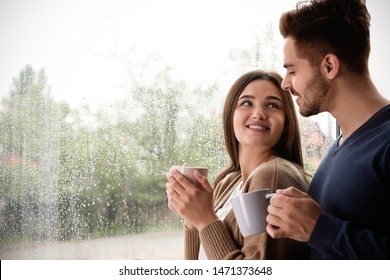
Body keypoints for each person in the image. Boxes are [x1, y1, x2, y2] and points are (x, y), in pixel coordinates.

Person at [266, 0, 390, 259]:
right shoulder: (338, 144)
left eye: (291, 70)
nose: (286, 84)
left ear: (329, 66)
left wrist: (318, 228)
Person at [166, 70, 309, 260]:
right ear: (230, 115)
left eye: (273, 105)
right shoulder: (230, 181)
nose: (258, 114)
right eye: (247, 103)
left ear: (286, 124)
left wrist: (205, 220)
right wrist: (192, 218)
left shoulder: (270, 176)